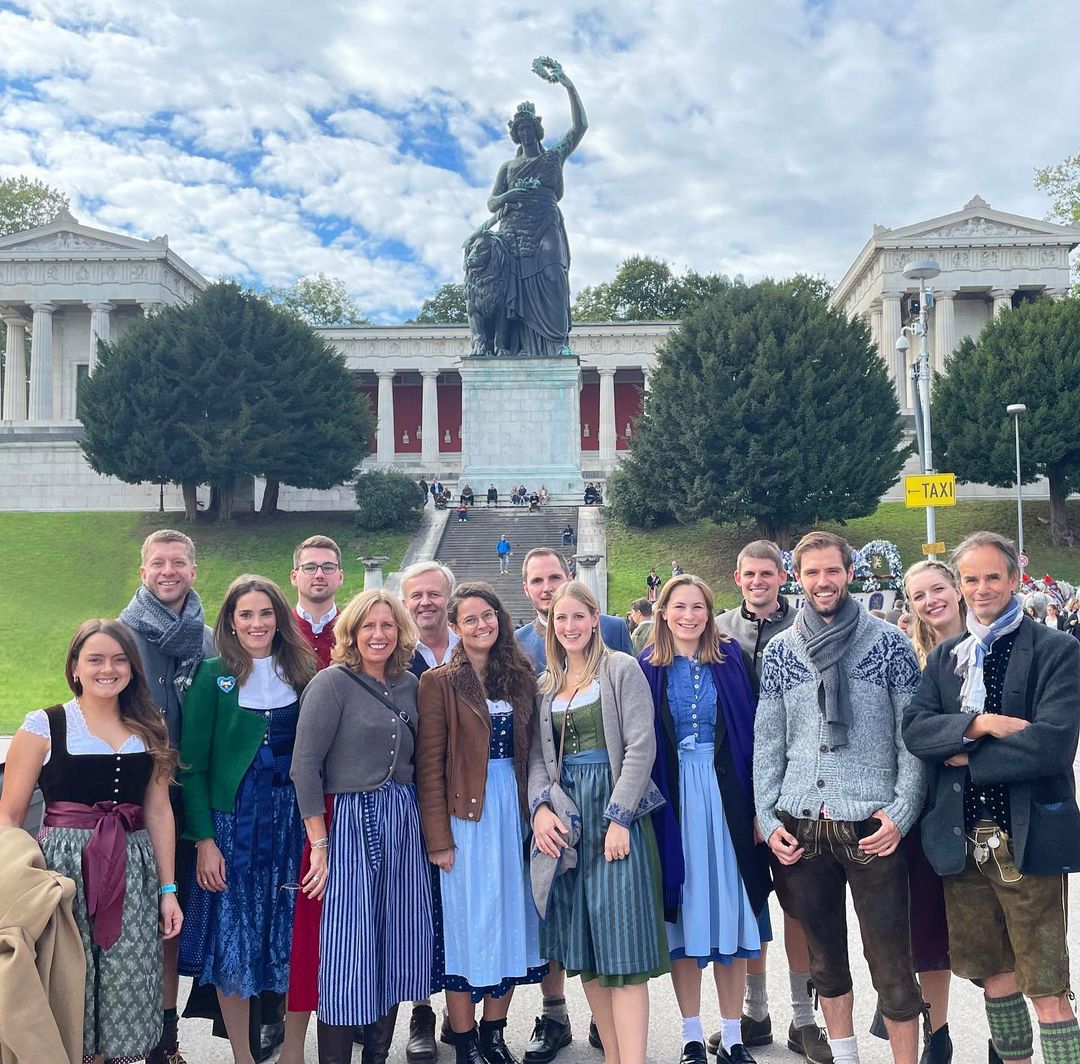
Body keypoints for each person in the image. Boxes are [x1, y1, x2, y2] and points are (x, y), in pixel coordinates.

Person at [903, 532, 1080, 1064]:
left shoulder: (1056, 650)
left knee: (1046, 986)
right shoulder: (947, 658)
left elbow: (1051, 744)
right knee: (995, 978)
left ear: (1014, 579)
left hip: (1028, 841)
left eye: (992, 577)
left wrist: (967, 757)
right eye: (971, 579)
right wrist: (978, 725)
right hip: (963, 846)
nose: (981, 588)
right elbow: (916, 731)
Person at [754, 532, 926, 1064]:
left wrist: (902, 810)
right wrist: (767, 817)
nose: (823, 582)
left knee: (893, 964)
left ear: (850, 574)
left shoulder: (889, 643)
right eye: (812, 572)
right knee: (825, 962)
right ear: (797, 578)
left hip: (872, 825)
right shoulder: (781, 651)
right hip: (802, 825)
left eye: (832, 571)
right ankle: (845, 1056)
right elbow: (769, 740)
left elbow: (910, 736)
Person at [0, 619, 183, 1063]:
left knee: (125, 977)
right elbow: (9, 816)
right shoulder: (45, 725)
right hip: (63, 871)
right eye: (95, 659)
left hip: (133, 869)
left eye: (119, 660)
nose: (108, 669)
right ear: (75, 667)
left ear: (132, 669)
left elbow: (158, 810)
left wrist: (168, 890)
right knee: (68, 977)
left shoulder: (149, 726)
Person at [291, 589, 434, 1064]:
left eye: (387, 625)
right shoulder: (331, 683)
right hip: (348, 824)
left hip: (402, 822)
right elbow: (304, 767)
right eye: (368, 626)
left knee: (396, 941)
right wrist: (319, 843)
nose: (378, 634)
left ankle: (376, 1056)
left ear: (401, 631)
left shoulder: (410, 685)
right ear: (351, 632)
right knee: (347, 950)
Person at [178, 575, 316, 1064]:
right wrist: (204, 841)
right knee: (233, 937)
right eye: (246, 615)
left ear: (279, 618)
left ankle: (294, 1051)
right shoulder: (212, 677)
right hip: (232, 826)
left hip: (292, 823)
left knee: (296, 934)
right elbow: (192, 767)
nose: (257, 623)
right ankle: (243, 1055)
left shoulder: (303, 672)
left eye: (265, 613)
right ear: (231, 623)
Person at [529, 581, 668, 1064]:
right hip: (568, 821)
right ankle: (612, 1056)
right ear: (551, 625)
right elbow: (536, 760)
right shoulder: (546, 685)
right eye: (560, 618)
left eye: (578, 616)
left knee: (621, 949)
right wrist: (540, 810)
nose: (569, 626)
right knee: (586, 950)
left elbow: (641, 746)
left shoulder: (620, 668)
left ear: (595, 619)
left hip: (612, 813)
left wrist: (620, 818)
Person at [641, 575, 769, 1064]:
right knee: (687, 916)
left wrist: (761, 808)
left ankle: (733, 1036)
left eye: (698, 607)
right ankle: (691, 1035)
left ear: (710, 612)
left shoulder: (732, 659)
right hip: (676, 802)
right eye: (679, 606)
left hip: (727, 797)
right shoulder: (647, 667)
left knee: (732, 915)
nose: (689, 616)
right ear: (663, 611)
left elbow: (756, 733)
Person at [417, 582, 545, 1064]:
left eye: (487, 615)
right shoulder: (439, 683)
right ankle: (464, 1039)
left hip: (514, 811)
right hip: (465, 816)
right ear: (454, 627)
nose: (481, 625)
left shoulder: (520, 675)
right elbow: (429, 766)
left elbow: (535, 750)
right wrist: (438, 839)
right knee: (467, 925)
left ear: (500, 618)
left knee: (511, 917)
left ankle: (494, 1033)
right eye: (469, 619)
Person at [515, 548, 634, 1061]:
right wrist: (539, 806)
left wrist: (622, 812)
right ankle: (555, 1011)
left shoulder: (617, 640)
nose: (547, 589)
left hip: (609, 792)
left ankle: (612, 1031)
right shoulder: (517, 645)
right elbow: (533, 746)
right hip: (559, 798)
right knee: (566, 914)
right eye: (537, 581)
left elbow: (636, 732)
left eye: (554, 578)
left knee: (610, 917)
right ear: (526, 588)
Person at [714, 542, 828, 1061]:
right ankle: (754, 1013)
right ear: (737, 577)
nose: (758, 581)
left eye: (768, 573)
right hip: (736, 784)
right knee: (750, 900)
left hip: (795, 782)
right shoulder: (718, 630)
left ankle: (804, 1018)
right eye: (750, 574)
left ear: (783, 576)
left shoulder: (806, 626)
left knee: (798, 904)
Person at [119, 528, 215, 1064]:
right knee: (127, 920)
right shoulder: (121, 636)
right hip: (132, 797)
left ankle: (164, 1037)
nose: (168, 571)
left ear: (193, 571)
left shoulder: (208, 640)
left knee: (170, 918)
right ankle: (113, 1034)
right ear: (143, 572)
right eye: (158, 563)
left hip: (187, 794)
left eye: (178, 562)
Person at [897, 560, 969, 1063]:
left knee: (991, 931)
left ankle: (1000, 1035)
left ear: (957, 589)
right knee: (927, 932)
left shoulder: (989, 647)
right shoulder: (911, 657)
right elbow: (911, 734)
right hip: (927, 806)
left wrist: (949, 740)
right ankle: (937, 1034)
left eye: (938, 589)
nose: (930, 601)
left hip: (985, 803)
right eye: (919, 595)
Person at [483, 62, 585, 358]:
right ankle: (515, 346)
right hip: (514, 230)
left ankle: (557, 343)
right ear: (516, 134)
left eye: (528, 128)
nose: (525, 133)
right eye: (520, 130)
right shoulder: (508, 167)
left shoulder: (554, 156)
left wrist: (568, 85)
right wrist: (510, 194)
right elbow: (492, 202)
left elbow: (580, 127)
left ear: (537, 130)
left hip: (546, 223)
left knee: (554, 275)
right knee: (512, 288)